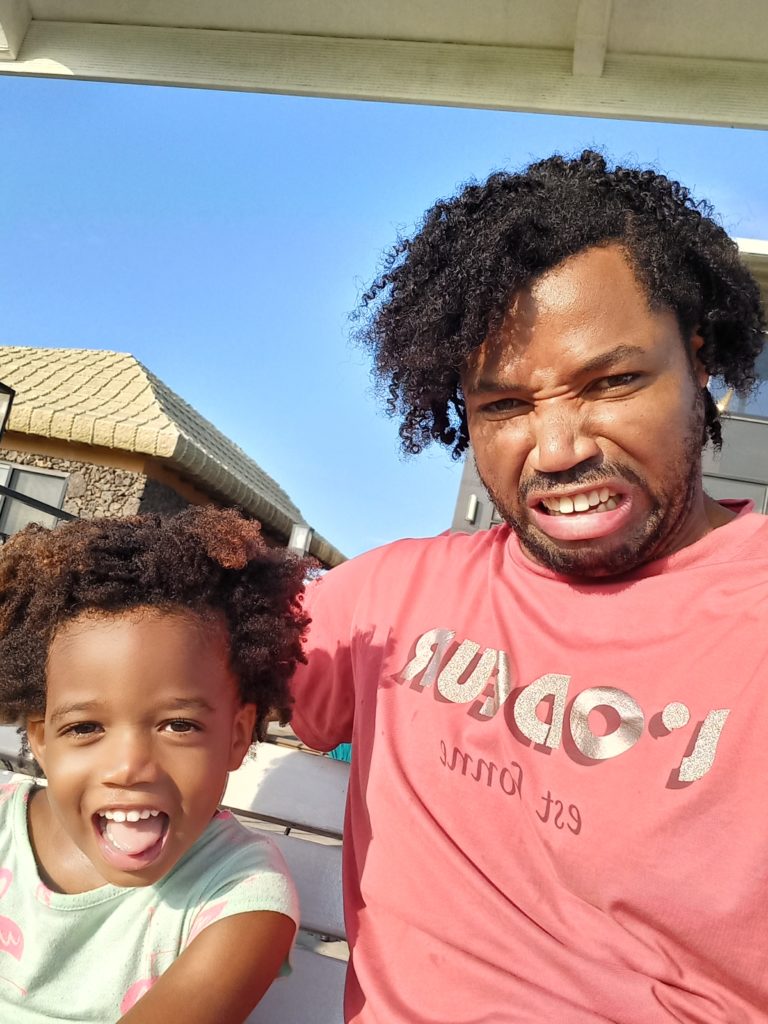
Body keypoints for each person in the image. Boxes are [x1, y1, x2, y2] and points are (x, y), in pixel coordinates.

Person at [289, 151, 768, 1023]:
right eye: (505, 406)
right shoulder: (391, 597)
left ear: (700, 365)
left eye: (613, 381)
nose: (555, 451)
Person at [0, 506, 307, 1023]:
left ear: (236, 737)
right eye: (85, 728)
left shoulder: (242, 898)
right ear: (42, 739)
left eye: (178, 725)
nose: (129, 768)